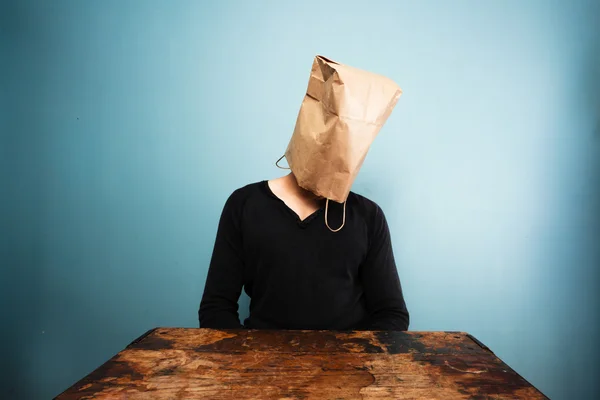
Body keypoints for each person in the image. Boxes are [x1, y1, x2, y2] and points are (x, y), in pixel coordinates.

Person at [198, 172, 409, 331]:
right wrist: (247, 365)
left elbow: (391, 314)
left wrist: (356, 364)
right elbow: (216, 309)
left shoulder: (367, 215)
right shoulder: (244, 204)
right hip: (261, 366)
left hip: (349, 371)